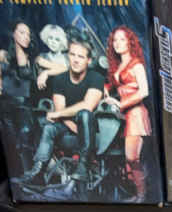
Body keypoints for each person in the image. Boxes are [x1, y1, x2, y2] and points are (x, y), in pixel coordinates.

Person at [22, 33, 104, 185]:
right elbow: (60, 110)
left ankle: (83, 165)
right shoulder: (60, 79)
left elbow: (87, 105)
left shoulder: (96, 78)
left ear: (89, 60)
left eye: (81, 56)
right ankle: (39, 171)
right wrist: (71, 125)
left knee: (84, 114)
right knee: (49, 128)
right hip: (69, 127)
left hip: (90, 130)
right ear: (68, 56)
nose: (75, 60)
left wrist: (59, 114)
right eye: (72, 55)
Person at [105, 26, 151, 200]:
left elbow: (144, 91)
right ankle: (137, 194)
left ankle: (142, 195)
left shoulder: (136, 64)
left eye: (122, 39)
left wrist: (120, 103)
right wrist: (105, 89)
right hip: (123, 116)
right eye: (114, 40)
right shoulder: (118, 65)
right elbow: (115, 84)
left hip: (136, 114)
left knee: (132, 158)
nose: (117, 43)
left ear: (130, 42)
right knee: (126, 160)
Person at [0, 21, 38, 173]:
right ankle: (16, 177)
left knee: (25, 141)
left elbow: (62, 67)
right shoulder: (3, 54)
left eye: (28, 34)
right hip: (5, 104)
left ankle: (29, 176)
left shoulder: (32, 56)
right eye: (22, 32)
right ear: (13, 34)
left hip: (23, 105)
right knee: (10, 141)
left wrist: (46, 73)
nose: (26, 37)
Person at [36, 24, 69, 90]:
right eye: (50, 38)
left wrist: (47, 72)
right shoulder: (42, 57)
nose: (53, 42)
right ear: (46, 39)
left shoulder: (68, 57)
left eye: (57, 39)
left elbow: (69, 71)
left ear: (62, 42)